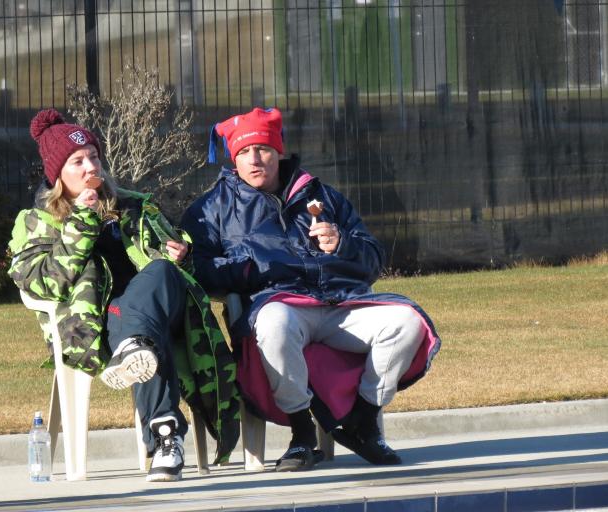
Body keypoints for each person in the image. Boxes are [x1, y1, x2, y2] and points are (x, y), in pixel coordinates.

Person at [181, 107, 441, 472]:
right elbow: (200, 272)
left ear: (279, 151)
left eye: (263, 149)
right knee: (274, 323)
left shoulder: (322, 196)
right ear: (232, 158)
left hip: (341, 304)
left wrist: (342, 244)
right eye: (243, 152)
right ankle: (302, 432)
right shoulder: (211, 209)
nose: (254, 160)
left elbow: (373, 261)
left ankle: (364, 421)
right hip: (278, 304)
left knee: (407, 321)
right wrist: (252, 268)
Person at [8, 109, 239, 482]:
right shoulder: (36, 221)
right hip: (98, 324)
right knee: (144, 339)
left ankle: (139, 359)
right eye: (77, 161)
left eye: (94, 157)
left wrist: (182, 254)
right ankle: (166, 437)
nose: (90, 167)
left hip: (161, 307)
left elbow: (180, 268)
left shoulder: (134, 205)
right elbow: (39, 283)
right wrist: (82, 222)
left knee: (161, 272)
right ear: (57, 175)